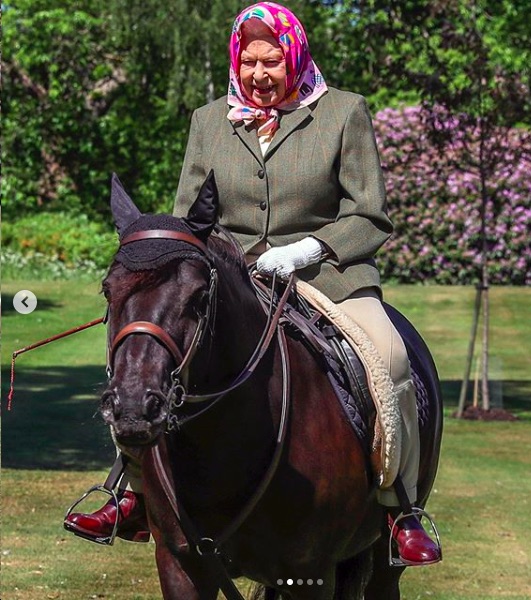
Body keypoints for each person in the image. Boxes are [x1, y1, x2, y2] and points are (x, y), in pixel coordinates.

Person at [64, 1, 441, 566]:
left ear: (294, 56)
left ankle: (399, 507)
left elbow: (370, 214)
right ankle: (134, 492)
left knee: (388, 356)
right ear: (235, 62)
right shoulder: (208, 120)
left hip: (328, 275)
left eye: (273, 61)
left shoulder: (342, 113)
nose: (260, 75)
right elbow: (190, 216)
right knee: (148, 356)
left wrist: (308, 250)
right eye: (250, 62)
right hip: (229, 276)